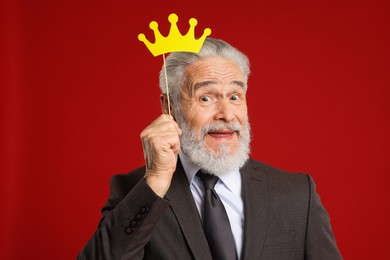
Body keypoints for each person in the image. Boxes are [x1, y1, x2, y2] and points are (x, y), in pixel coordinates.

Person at [78, 38, 342, 259]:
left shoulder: (297, 195)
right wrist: (156, 181)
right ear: (169, 107)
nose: (226, 114)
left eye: (235, 97)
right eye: (206, 98)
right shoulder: (135, 193)